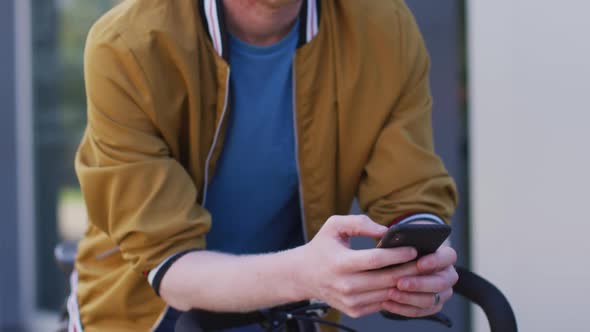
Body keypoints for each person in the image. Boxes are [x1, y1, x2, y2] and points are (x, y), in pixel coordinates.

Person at [69, 0, 459, 331]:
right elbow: (170, 267)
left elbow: (409, 193)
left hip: (292, 311)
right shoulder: (126, 46)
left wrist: (419, 262)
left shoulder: (382, 26)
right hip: (145, 313)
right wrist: (306, 275)